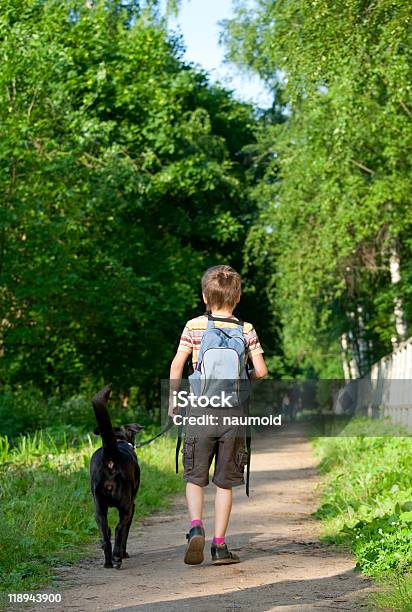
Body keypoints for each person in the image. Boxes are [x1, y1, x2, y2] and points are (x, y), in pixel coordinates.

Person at [169, 265, 268, 565]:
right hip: (233, 414)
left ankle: (195, 526)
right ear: (237, 297)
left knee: (195, 477)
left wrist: (175, 401)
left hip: (200, 410)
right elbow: (262, 371)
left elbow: (177, 366)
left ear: (204, 296)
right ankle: (219, 546)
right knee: (224, 482)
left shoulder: (193, 326)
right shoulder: (246, 329)